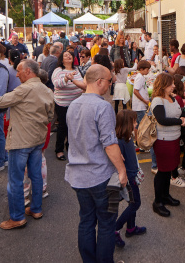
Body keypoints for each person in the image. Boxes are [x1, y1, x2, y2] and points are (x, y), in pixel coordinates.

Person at [0, 59, 54, 229]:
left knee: (15, 180)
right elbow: (50, 117)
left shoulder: (24, 89)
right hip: (37, 139)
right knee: (35, 176)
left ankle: (17, 217)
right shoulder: (46, 89)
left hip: (21, 140)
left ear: (28, 71)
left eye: (19, 71)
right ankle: (36, 209)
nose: (17, 74)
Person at [65, 64, 128, 263]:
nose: (111, 83)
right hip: (99, 176)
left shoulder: (74, 104)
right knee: (107, 225)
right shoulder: (102, 107)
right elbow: (109, 143)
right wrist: (122, 170)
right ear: (100, 81)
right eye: (110, 80)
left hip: (78, 175)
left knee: (86, 221)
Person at [149, 73, 185, 217]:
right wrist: (180, 121)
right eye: (171, 83)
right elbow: (162, 120)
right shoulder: (158, 101)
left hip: (174, 138)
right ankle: (157, 202)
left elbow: (177, 113)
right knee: (163, 171)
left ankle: (165, 196)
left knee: (169, 169)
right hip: (163, 140)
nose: (174, 85)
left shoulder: (171, 98)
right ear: (164, 85)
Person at [114, 109, 146, 248]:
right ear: (127, 123)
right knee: (135, 203)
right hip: (129, 178)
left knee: (131, 202)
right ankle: (115, 228)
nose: (136, 123)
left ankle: (131, 228)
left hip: (132, 176)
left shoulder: (126, 137)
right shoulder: (121, 141)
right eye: (134, 121)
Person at [52, 50, 86, 161]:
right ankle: (59, 150)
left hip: (76, 103)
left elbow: (82, 84)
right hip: (62, 103)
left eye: (70, 55)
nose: (68, 56)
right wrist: (66, 78)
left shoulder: (77, 69)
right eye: (65, 55)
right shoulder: (58, 71)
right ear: (61, 60)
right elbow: (57, 84)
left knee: (75, 126)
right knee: (63, 126)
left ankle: (71, 147)